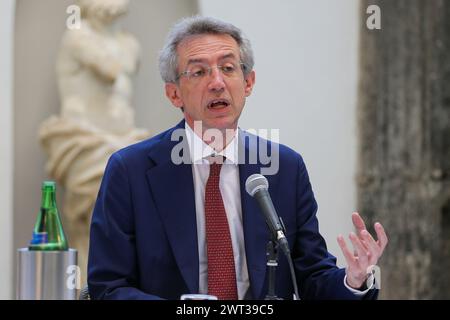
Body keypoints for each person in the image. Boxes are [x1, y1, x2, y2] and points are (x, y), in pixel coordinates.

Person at [87, 16, 388, 300]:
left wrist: (354, 279)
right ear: (174, 94)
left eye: (229, 68)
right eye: (199, 71)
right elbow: (108, 287)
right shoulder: (130, 171)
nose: (217, 82)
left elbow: (310, 277)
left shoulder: (285, 168)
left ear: (248, 83)